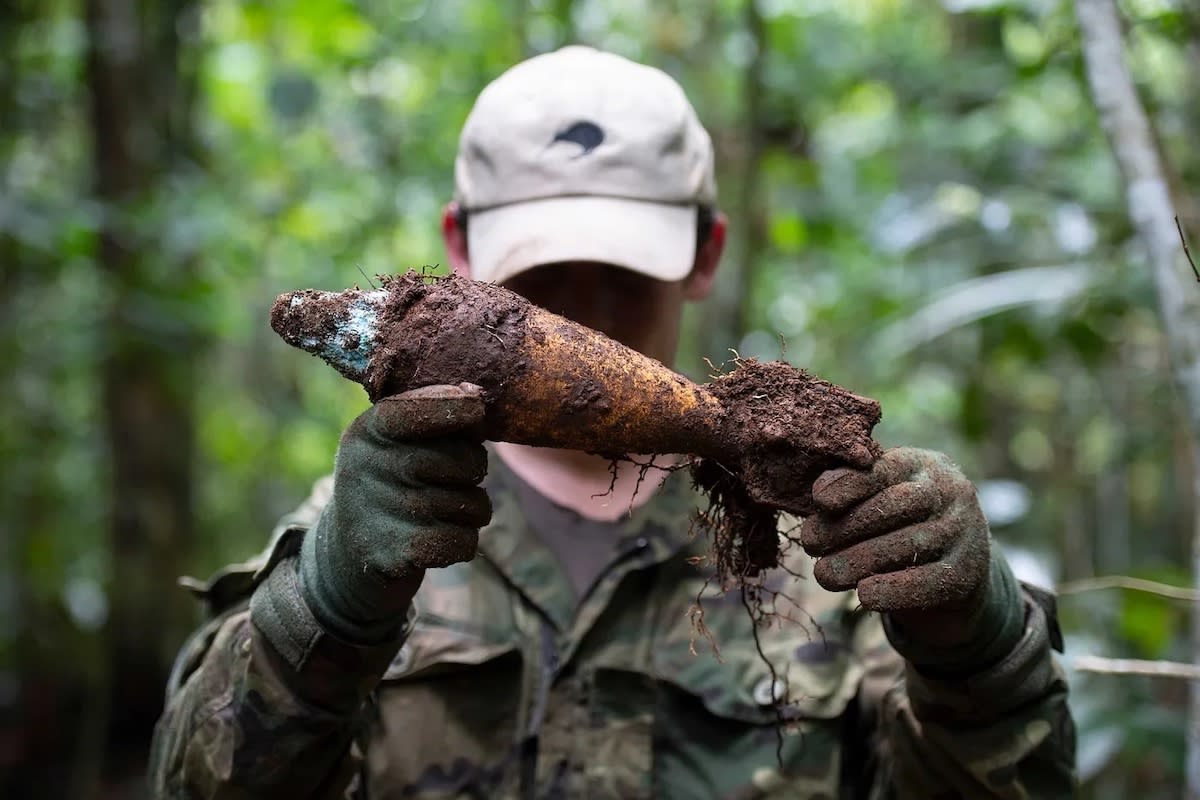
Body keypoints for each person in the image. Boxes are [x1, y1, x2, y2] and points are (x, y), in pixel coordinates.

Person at [149, 46, 1076, 798]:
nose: (581, 314)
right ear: (459, 249)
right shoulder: (358, 544)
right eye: (538, 279)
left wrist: (982, 651)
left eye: (624, 271)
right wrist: (325, 608)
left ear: (705, 252)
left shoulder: (838, 559)